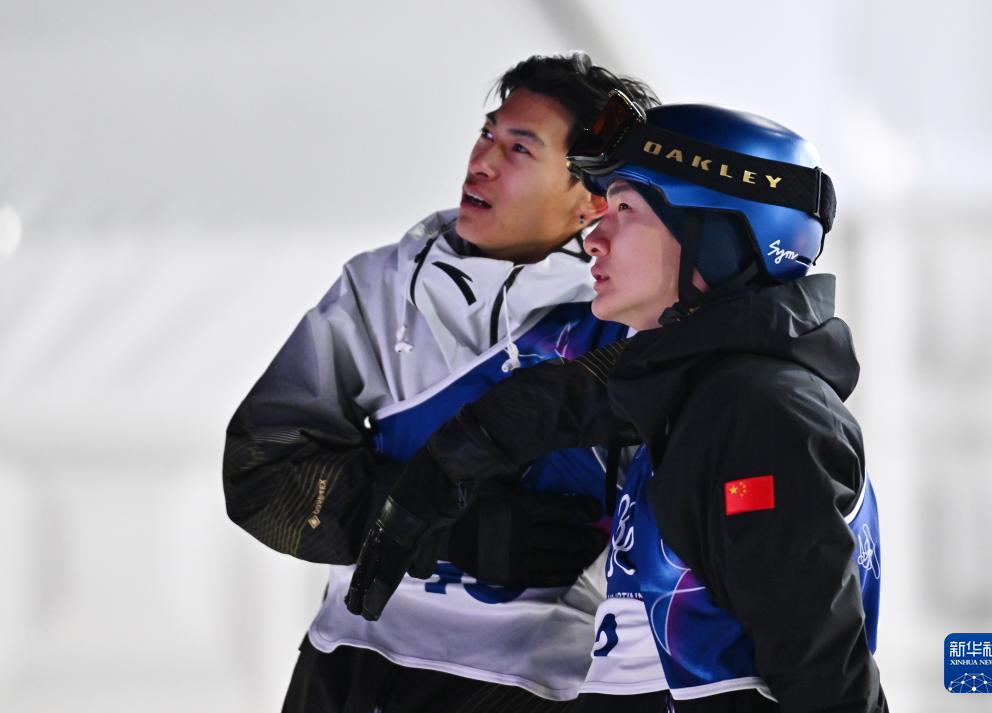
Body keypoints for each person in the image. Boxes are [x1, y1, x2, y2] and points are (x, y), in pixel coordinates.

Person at [347, 93, 887, 712]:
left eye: (625, 209)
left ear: (716, 235)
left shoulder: (760, 420)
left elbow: (827, 683)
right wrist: (439, 472)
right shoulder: (699, 392)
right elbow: (569, 397)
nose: (593, 239)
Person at [222, 54, 659, 712]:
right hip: (348, 664)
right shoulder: (378, 286)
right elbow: (260, 469)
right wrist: (442, 526)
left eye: (519, 148)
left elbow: (676, 523)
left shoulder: (627, 315)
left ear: (591, 199)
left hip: (536, 685)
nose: (481, 161)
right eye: (487, 134)